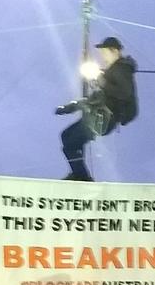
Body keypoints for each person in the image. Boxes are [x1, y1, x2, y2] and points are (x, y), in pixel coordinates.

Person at [56, 36, 138, 181]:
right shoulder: (112, 71)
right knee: (69, 138)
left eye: (104, 51)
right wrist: (70, 107)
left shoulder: (121, 68)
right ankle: (79, 175)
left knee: (69, 140)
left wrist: (101, 81)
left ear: (114, 51)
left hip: (104, 118)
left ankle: (81, 177)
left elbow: (124, 92)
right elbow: (96, 98)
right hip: (98, 116)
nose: (102, 55)